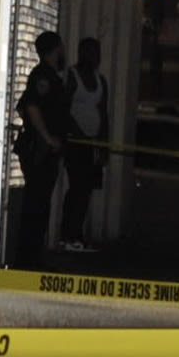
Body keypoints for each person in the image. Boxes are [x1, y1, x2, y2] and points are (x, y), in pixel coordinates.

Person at [13, 31, 69, 266]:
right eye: (61, 47)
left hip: (43, 149)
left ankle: (32, 256)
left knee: (40, 203)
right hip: (39, 151)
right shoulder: (43, 76)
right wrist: (47, 137)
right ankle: (28, 259)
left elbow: (23, 108)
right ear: (55, 48)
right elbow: (32, 107)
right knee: (36, 204)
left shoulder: (49, 76)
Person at [59, 34, 109, 250]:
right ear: (81, 53)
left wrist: (104, 143)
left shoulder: (100, 81)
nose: (94, 57)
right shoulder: (72, 76)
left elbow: (103, 111)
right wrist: (76, 132)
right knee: (77, 187)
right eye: (89, 52)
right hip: (75, 142)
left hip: (93, 143)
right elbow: (64, 108)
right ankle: (68, 235)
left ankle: (76, 233)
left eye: (96, 52)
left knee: (87, 189)